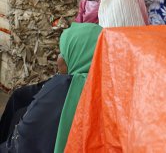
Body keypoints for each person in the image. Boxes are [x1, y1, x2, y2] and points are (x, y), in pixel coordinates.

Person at [0, 22, 102, 153]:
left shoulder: (62, 89)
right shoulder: (106, 82)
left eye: (63, 52)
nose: (59, 58)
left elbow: (22, 142)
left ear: (77, 55)